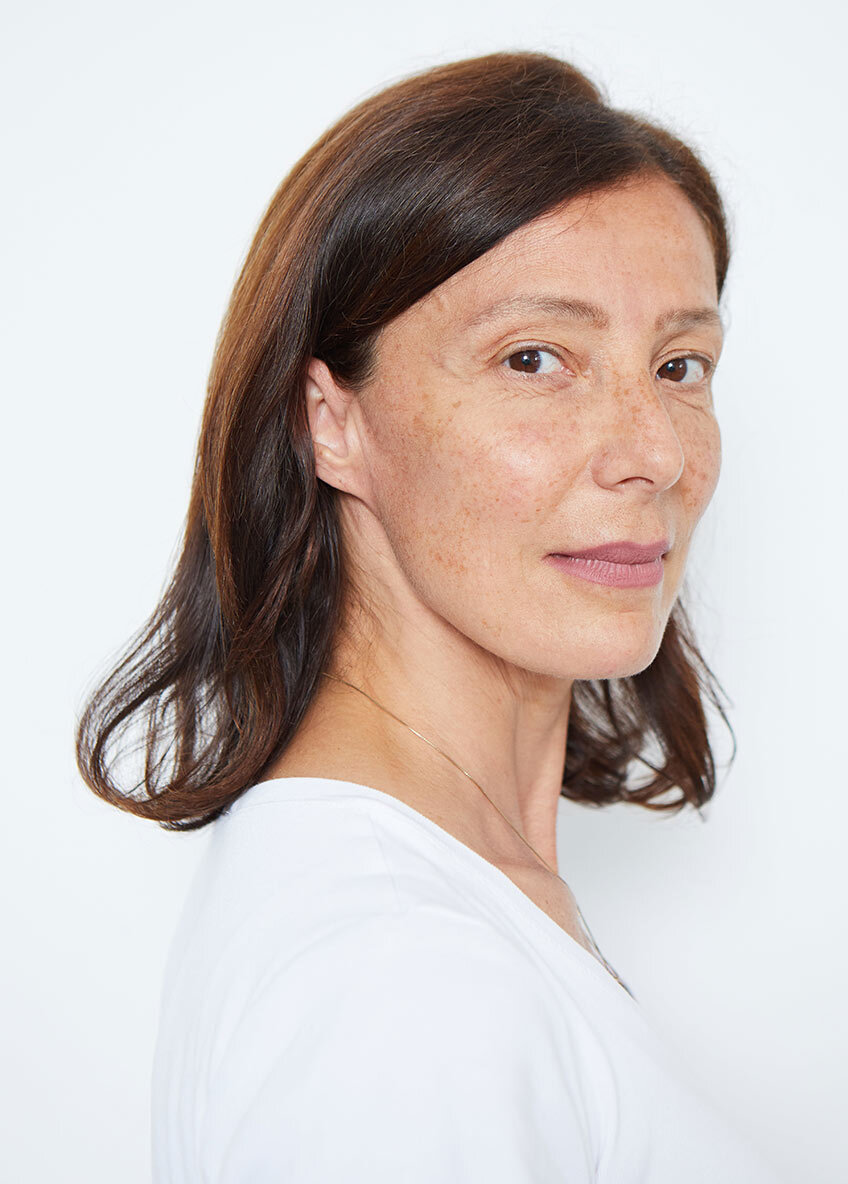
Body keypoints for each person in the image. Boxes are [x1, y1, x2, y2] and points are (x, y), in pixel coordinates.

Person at [75, 50, 783, 1183]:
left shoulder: (438, 905)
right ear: (330, 421)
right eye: (534, 358)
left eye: (679, 364)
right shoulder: (401, 979)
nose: (654, 451)